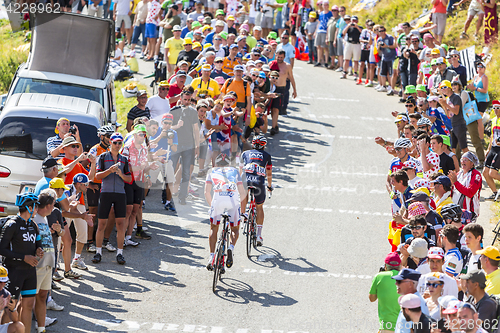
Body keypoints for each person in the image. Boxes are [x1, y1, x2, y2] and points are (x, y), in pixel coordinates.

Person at [0, 192, 43, 333]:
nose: (37, 209)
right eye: (36, 206)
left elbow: (38, 244)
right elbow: (2, 249)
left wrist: (39, 251)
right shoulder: (12, 225)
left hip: (30, 270)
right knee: (9, 306)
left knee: (29, 304)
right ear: (29, 207)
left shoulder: (34, 225)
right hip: (14, 270)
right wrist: (23, 257)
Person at [93, 132, 132, 265]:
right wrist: (109, 170)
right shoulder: (103, 157)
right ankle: (98, 252)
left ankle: (120, 254)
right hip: (106, 193)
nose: (117, 145)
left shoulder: (124, 159)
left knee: (120, 224)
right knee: (102, 224)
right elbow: (97, 176)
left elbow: (130, 179)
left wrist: (121, 174)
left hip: (120, 194)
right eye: (114, 142)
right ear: (110, 142)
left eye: (119, 143)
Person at [204, 152, 246, 271]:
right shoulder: (235, 170)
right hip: (232, 200)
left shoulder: (211, 171)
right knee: (235, 229)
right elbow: (242, 193)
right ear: (229, 164)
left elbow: (206, 192)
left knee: (213, 228)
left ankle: (211, 257)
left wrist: (211, 206)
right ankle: (231, 248)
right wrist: (242, 211)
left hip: (218, 200)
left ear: (216, 163)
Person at [121, 125, 154, 240]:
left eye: (144, 135)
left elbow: (143, 167)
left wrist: (148, 171)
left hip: (140, 180)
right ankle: (122, 237)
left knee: (136, 209)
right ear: (134, 135)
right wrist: (139, 167)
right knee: (128, 210)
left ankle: (129, 237)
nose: (142, 137)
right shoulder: (127, 147)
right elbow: (125, 166)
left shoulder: (144, 148)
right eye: (140, 134)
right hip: (129, 181)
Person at [33, 189, 58, 333]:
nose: (54, 207)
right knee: (29, 298)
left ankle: (41, 327)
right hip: (37, 265)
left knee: (43, 295)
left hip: (47, 265)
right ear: (48, 205)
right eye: (54, 203)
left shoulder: (44, 218)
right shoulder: (34, 218)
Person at [240, 135, 272, 246]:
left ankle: (243, 215)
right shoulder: (267, 155)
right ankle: (258, 235)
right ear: (264, 146)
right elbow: (269, 173)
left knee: (244, 194)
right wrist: (269, 185)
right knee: (259, 207)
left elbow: (240, 170)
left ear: (253, 144)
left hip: (246, 179)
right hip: (258, 182)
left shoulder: (245, 154)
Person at [170, 89, 201, 205]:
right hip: (175, 144)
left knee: (186, 172)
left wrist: (197, 145)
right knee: (171, 169)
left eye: (189, 100)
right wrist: (177, 126)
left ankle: (183, 196)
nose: (187, 102)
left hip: (189, 145)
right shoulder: (173, 111)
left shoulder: (193, 112)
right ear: (180, 99)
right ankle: (167, 196)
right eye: (185, 99)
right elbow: (166, 127)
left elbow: (196, 129)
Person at [369, 252, 401, 332]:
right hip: (404, 326)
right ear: (400, 266)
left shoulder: (379, 276)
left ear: (385, 266)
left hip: (386, 325)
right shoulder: (405, 277)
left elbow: (372, 298)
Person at [391, 268, 430, 333]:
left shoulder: (418, 303)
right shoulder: (410, 301)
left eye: (399, 281)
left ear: (410, 284)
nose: (396, 284)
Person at [269, 49, 297, 132]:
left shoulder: (287, 66)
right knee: (271, 109)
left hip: (281, 89)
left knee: (276, 108)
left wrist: (294, 90)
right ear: (276, 55)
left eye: (281, 57)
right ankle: (276, 124)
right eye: (278, 56)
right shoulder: (271, 64)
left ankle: (273, 128)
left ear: (284, 57)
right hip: (272, 88)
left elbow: (291, 78)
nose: (279, 58)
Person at [438, 80, 469, 156]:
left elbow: (456, 111)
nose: (443, 89)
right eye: (442, 88)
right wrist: (443, 105)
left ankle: (472, 163)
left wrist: (445, 104)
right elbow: (448, 114)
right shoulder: (448, 99)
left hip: (459, 125)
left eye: (445, 87)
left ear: (449, 88)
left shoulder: (456, 97)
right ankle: (455, 165)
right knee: (453, 148)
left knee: (463, 147)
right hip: (453, 125)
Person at [449, 152, 482, 216]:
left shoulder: (476, 175)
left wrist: (455, 182)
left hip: (469, 211)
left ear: (472, 163)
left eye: (465, 160)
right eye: (462, 159)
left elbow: (470, 193)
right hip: (456, 209)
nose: (463, 161)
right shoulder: (459, 174)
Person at [484, 100, 500, 200]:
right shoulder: (493, 120)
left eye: (498, 108)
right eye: (494, 107)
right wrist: (488, 149)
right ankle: (495, 193)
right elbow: (492, 136)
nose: (495, 110)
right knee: (485, 172)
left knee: (492, 173)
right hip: (493, 148)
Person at [0, 267, 24, 333]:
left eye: (4, 281)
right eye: (0, 282)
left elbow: (15, 320)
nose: (2, 284)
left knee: (19, 326)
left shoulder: (5, 294)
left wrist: (13, 309)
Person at [340, 15, 363, 80]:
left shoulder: (360, 27)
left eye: (355, 20)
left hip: (357, 44)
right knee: (346, 59)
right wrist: (348, 26)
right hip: (349, 43)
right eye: (352, 20)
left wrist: (357, 27)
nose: (353, 22)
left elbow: (362, 33)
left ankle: (355, 73)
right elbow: (343, 33)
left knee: (356, 60)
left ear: (357, 21)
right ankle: (344, 72)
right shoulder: (348, 27)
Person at [376, 26, 397, 94]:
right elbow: (378, 51)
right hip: (384, 57)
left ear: (385, 31)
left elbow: (394, 46)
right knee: (382, 73)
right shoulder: (379, 39)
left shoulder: (389, 37)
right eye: (380, 31)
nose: (381, 32)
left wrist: (386, 46)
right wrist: (379, 46)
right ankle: (383, 86)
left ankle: (391, 86)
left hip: (391, 57)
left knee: (391, 73)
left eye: (382, 31)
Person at [313, 1, 332, 68]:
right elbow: (319, 22)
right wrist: (315, 31)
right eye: (324, 5)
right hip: (319, 30)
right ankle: (319, 61)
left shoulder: (330, 13)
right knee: (318, 46)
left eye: (326, 5)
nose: (325, 6)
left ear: (328, 6)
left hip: (325, 31)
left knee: (325, 47)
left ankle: (326, 62)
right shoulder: (321, 13)